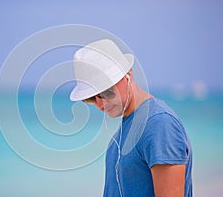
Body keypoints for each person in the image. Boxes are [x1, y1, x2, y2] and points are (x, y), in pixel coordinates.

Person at [70, 39, 192, 197]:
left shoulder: (159, 124)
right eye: (92, 98)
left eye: (105, 92)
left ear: (127, 76)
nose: (100, 104)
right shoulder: (123, 132)